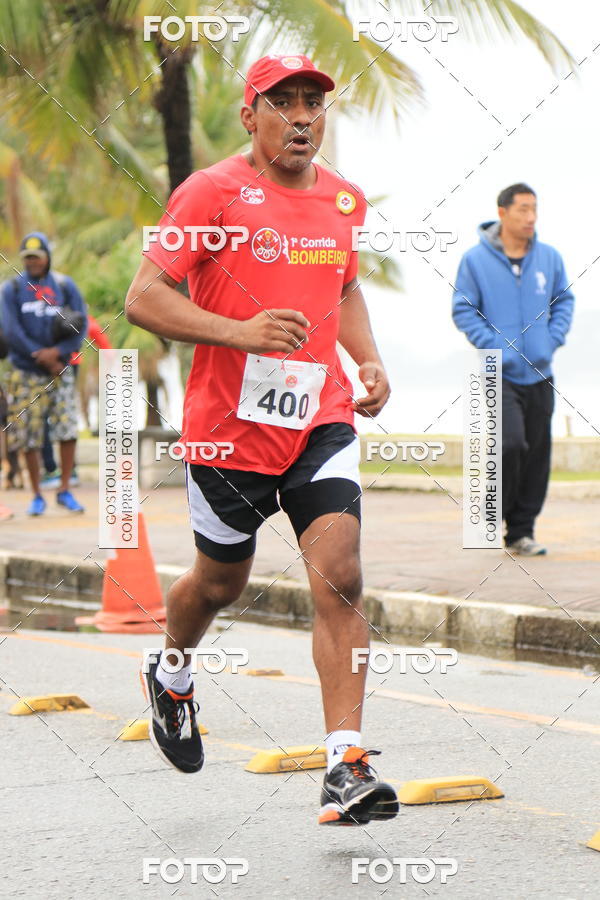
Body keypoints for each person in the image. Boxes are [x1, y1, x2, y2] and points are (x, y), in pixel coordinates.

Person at [127, 54, 398, 826]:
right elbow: (143, 297)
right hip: (226, 436)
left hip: (320, 418)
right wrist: (238, 331)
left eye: (314, 102)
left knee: (339, 571)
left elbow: (341, 287)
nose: (303, 116)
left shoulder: (343, 200)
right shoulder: (210, 193)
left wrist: (367, 358)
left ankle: (346, 763)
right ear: (250, 117)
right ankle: (171, 671)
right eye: (284, 103)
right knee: (220, 585)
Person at [452, 184, 574, 555]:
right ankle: (491, 516)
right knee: (510, 442)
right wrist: (495, 348)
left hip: (540, 371)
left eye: (534, 209)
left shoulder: (549, 258)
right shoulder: (476, 260)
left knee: (537, 454)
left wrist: (551, 340)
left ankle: (521, 532)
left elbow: (564, 299)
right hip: (498, 373)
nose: (531, 217)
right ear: (503, 213)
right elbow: (463, 310)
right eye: (522, 209)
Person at [1, 232, 87, 515]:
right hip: (26, 371)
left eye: (37, 257)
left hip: (61, 368)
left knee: (67, 429)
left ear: (47, 256)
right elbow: (12, 332)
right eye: (28, 258)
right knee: (29, 435)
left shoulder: (64, 285)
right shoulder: (11, 289)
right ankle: (36, 494)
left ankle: (64, 490)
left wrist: (59, 353)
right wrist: (41, 356)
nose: (33, 262)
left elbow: (81, 325)